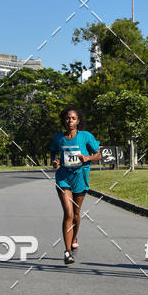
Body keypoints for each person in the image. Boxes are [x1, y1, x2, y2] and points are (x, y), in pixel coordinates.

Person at [50, 107, 101, 264]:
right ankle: (67, 251)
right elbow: (53, 153)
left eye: (73, 118)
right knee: (69, 213)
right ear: (63, 120)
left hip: (80, 177)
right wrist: (55, 162)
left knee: (77, 215)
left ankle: (74, 237)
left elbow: (98, 154)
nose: (69, 121)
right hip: (63, 178)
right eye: (67, 118)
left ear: (78, 121)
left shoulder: (85, 136)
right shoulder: (58, 138)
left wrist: (87, 158)